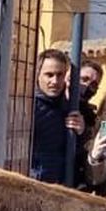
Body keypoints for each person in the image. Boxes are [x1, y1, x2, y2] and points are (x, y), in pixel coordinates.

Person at [29, 49, 87, 185]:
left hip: (61, 185)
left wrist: (80, 133)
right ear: (38, 75)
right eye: (49, 75)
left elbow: (76, 154)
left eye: (60, 75)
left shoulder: (71, 107)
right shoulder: (28, 106)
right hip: (33, 183)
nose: (55, 81)